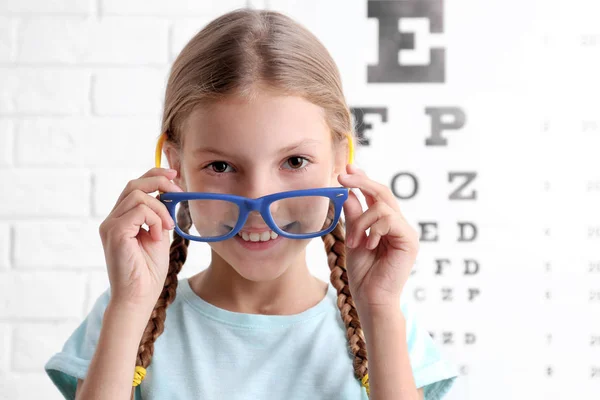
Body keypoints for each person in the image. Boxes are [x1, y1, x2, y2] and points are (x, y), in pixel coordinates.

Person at [44, 8, 459, 400]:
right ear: (176, 168)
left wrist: (381, 311)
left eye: (294, 161)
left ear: (340, 161)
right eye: (221, 165)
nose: (258, 203)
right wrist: (130, 305)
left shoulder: (383, 318)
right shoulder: (125, 314)